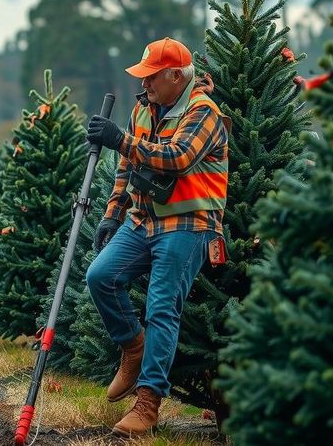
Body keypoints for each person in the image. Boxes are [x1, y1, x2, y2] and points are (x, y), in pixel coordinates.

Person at [84, 36, 229, 437]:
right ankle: (134, 346)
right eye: (143, 77)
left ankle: (147, 406)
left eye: (152, 77)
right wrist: (112, 216)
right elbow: (125, 169)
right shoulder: (143, 110)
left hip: (190, 222)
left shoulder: (204, 112)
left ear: (177, 76)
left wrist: (119, 138)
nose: (145, 84)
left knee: (162, 305)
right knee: (100, 277)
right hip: (143, 220)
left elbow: (178, 157)